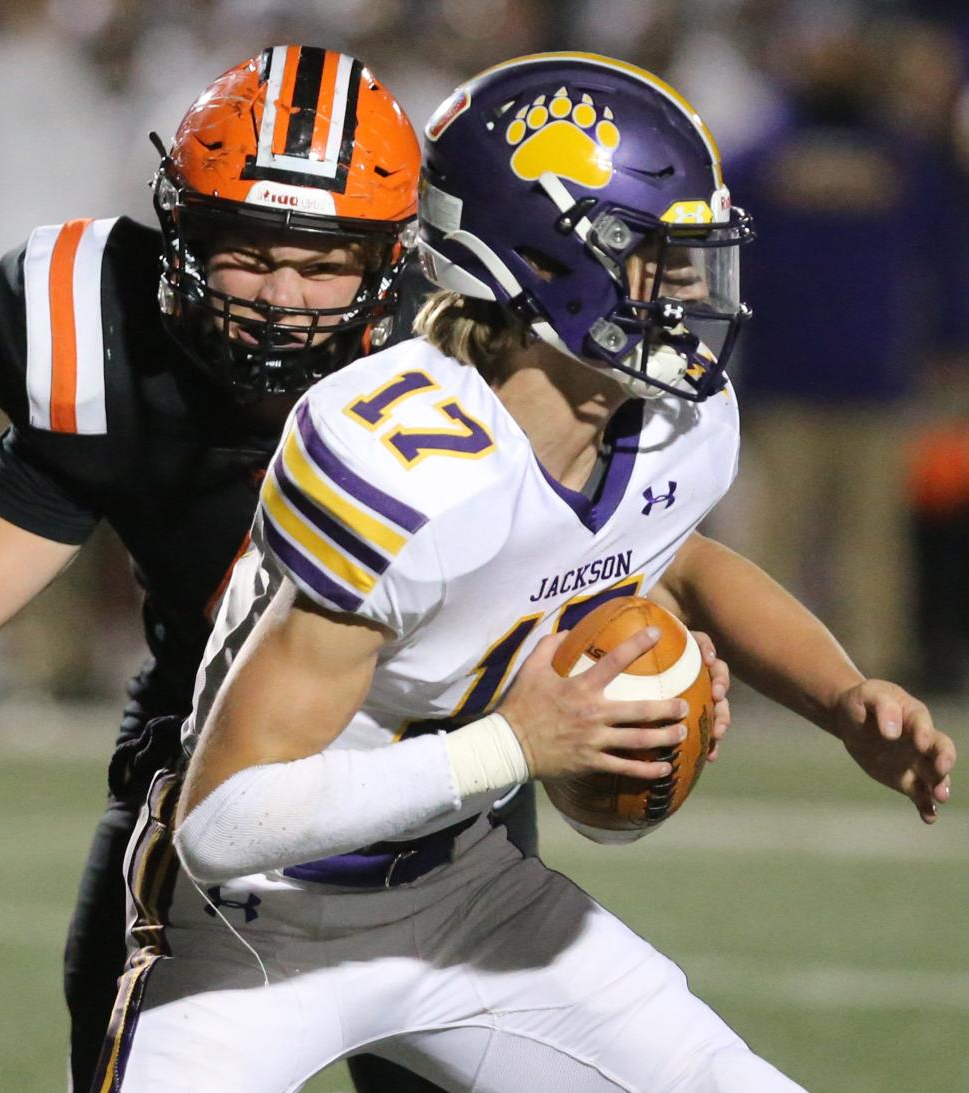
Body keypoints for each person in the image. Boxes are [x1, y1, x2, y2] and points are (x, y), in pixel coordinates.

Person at [101, 53, 957, 1092]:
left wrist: (842, 698)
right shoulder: (405, 455)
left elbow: (678, 556)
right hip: (252, 932)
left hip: (466, 895)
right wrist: (517, 743)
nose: (689, 291)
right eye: (657, 257)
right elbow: (222, 821)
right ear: (546, 265)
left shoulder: (672, 425)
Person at [0, 44, 484, 1093]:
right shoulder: (108, 352)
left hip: (430, 796)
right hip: (194, 786)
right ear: (180, 235)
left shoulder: (467, 371)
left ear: (395, 260)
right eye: (248, 252)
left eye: (325, 260)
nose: (285, 296)